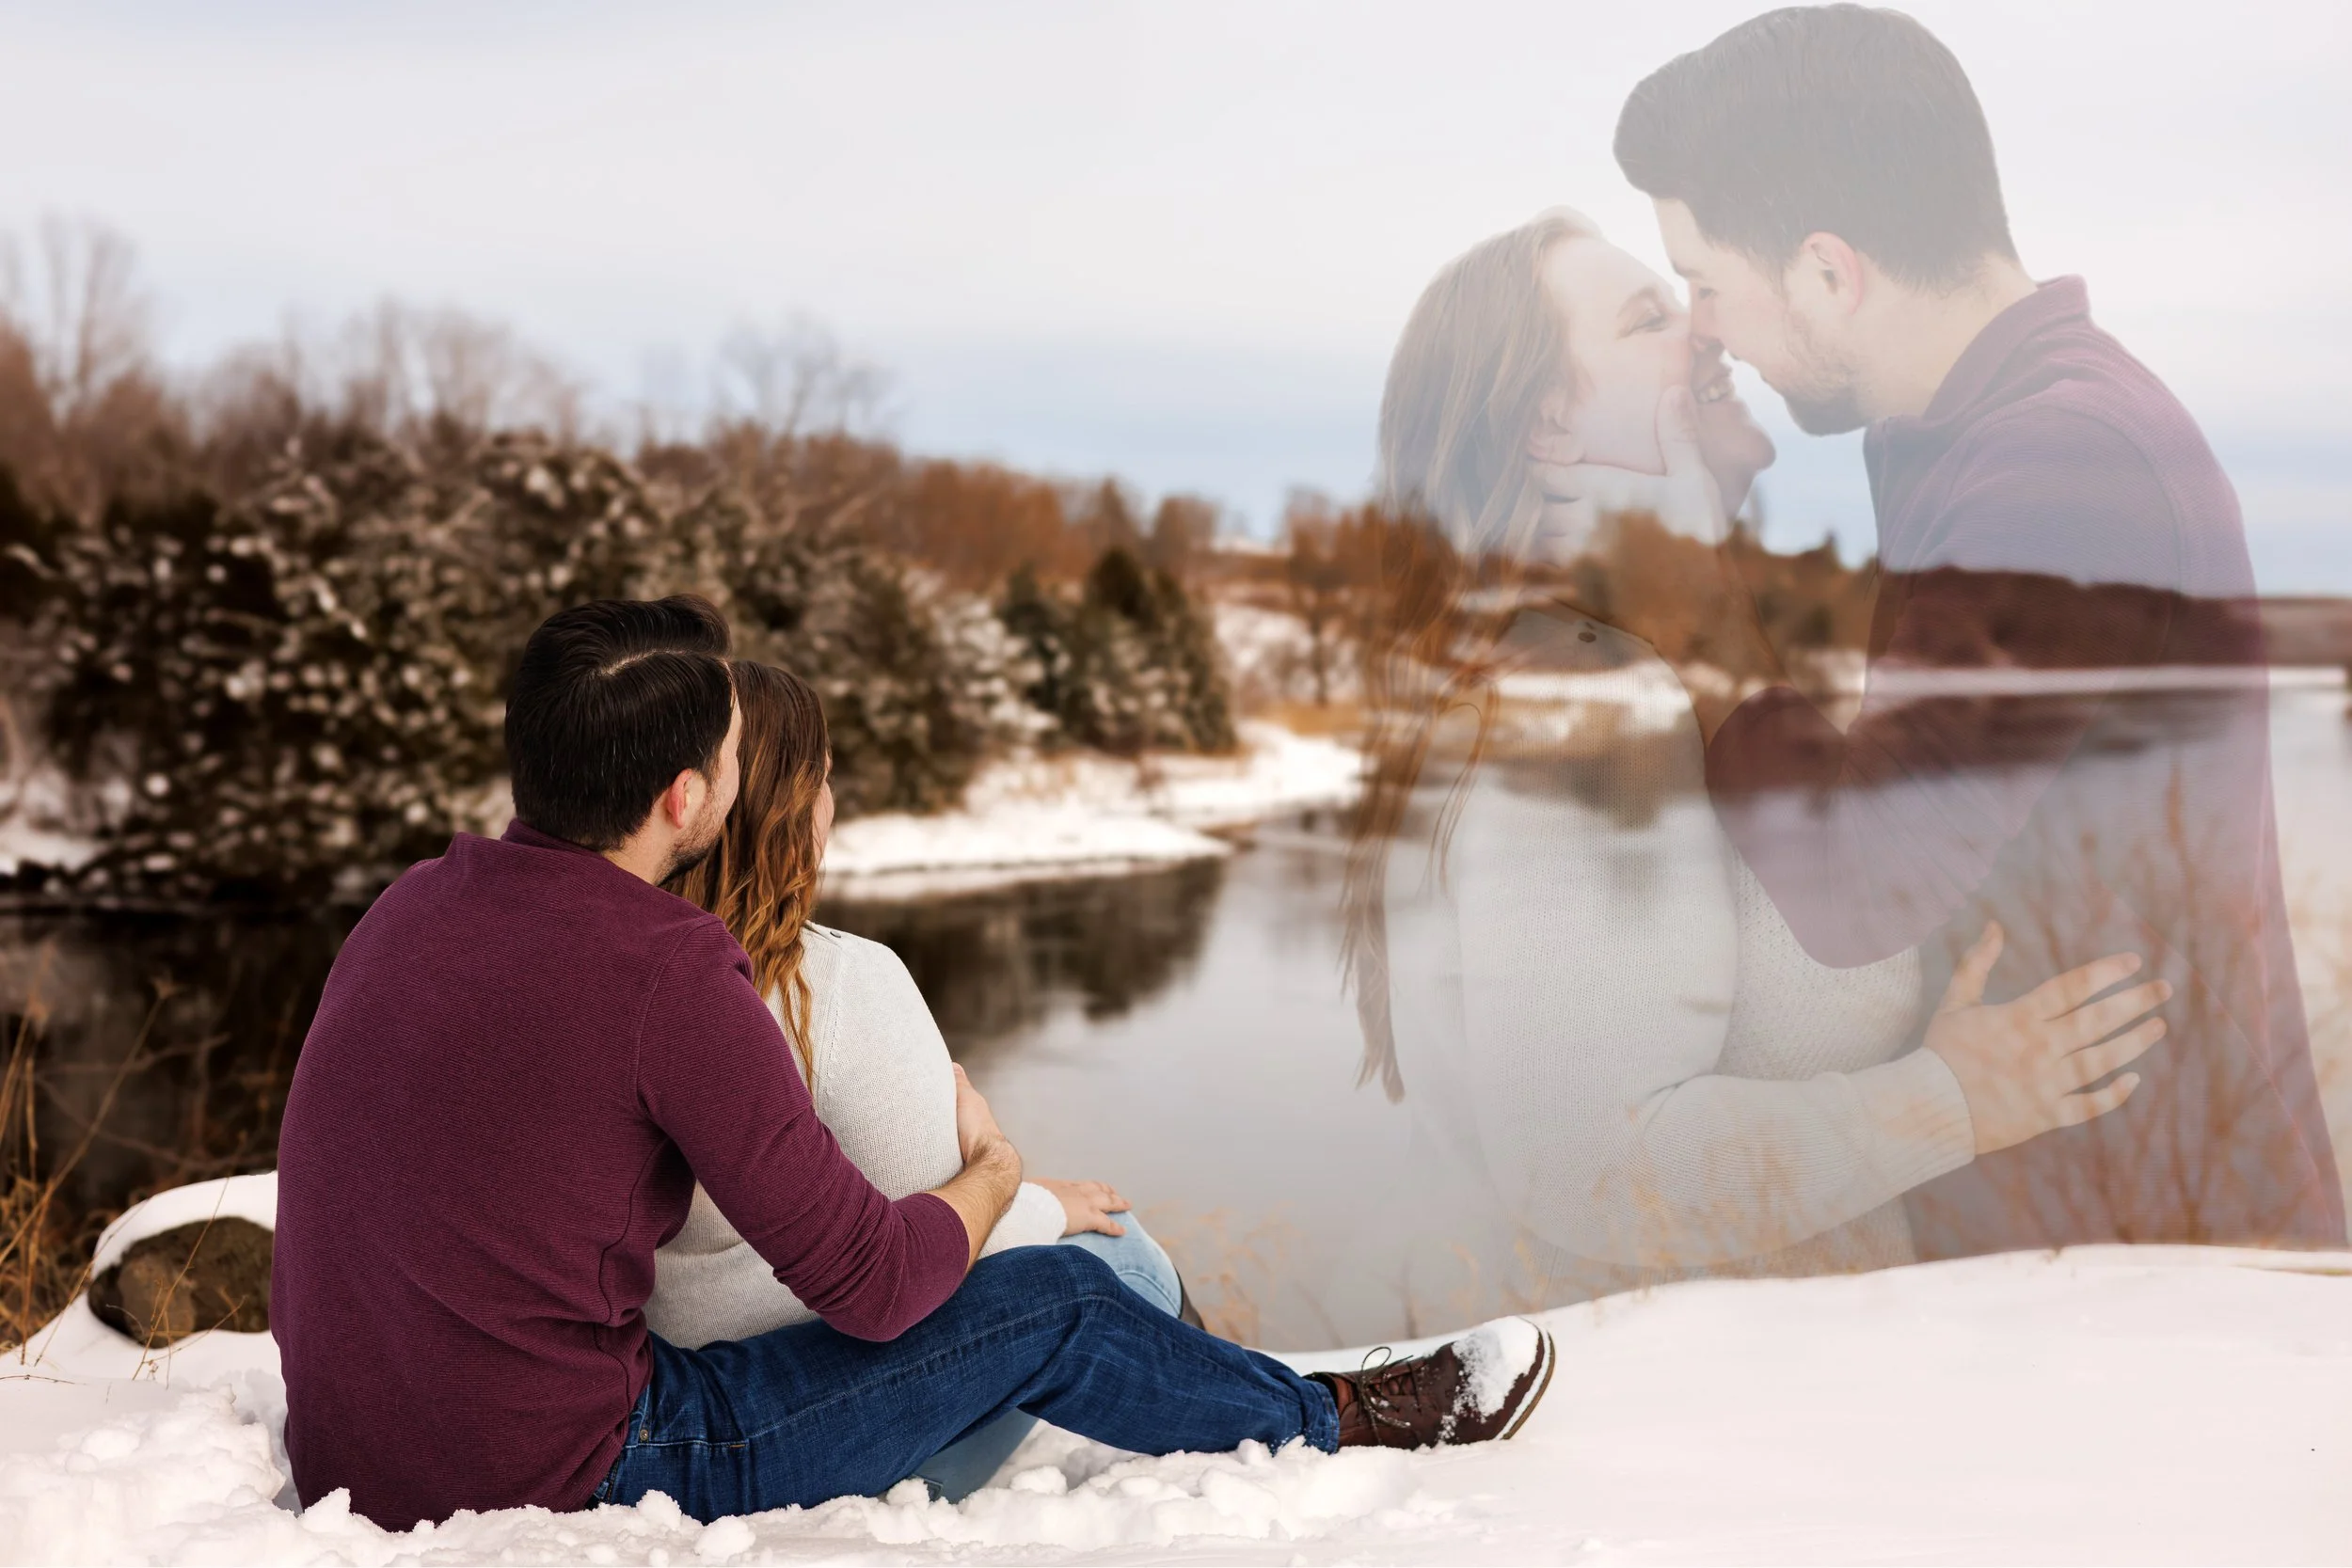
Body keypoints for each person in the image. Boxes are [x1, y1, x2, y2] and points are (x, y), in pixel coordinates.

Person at [271, 594, 1554, 1530]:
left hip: (356, 1450)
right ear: (683, 799)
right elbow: (877, 1286)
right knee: (1067, 1296)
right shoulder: (668, 971)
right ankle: (1339, 1415)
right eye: (732, 751)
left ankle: (1247, 1400)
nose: (744, 770)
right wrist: (997, 1172)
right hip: (584, 1467)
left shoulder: (410, 906)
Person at [1554, 3, 2343, 1251]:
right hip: (2094, 1212)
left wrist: (1690, 608)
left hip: (2152, 1246)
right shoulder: (1980, 436)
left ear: (1829, 271)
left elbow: (1864, 876)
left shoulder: (2058, 465)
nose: (1703, 329)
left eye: (1706, 284)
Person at [1346, 209, 2171, 1298]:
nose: (1706, 328)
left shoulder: (1655, 675)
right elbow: (1593, 1170)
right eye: (1649, 319)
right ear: (1549, 424)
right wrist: (1952, 1100)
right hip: (1669, 1391)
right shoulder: (1587, 710)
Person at [648, 657, 1201, 1501]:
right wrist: (1017, 1180)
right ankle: (1266, 1437)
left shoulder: (628, 974)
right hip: (831, 1442)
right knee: (1122, 1255)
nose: (832, 803)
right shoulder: (836, 982)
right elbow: (936, 1261)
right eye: (824, 779)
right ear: (790, 807)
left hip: (667, 1398)